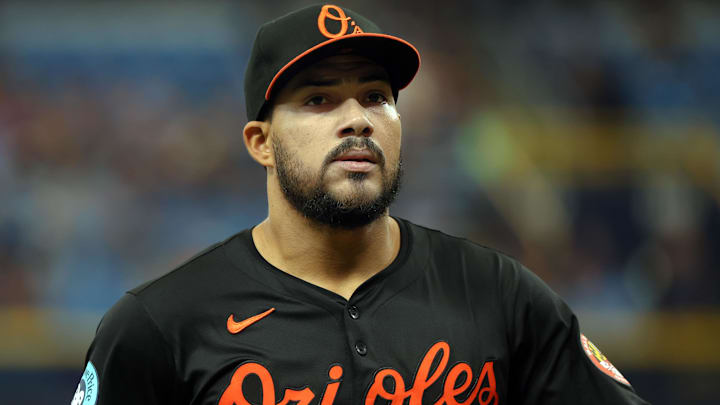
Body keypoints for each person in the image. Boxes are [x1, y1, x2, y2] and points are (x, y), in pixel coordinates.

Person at [71, 4, 650, 405]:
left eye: (376, 96)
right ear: (261, 142)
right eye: (319, 98)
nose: (357, 119)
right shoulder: (161, 322)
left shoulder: (498, 292)